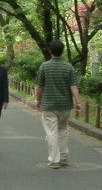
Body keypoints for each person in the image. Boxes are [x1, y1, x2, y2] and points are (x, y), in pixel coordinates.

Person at [35, 40, 82, 169]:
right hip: (65, 105)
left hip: (49, 105)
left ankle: (54, 160)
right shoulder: (68, 67)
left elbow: (39, 87)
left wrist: (38, 100)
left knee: (51, 132)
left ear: (50, 51)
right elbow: (74, 85)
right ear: (62, 51)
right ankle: (63, 156)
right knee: (62, 129)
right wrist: (78, 101)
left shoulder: (44, 66)